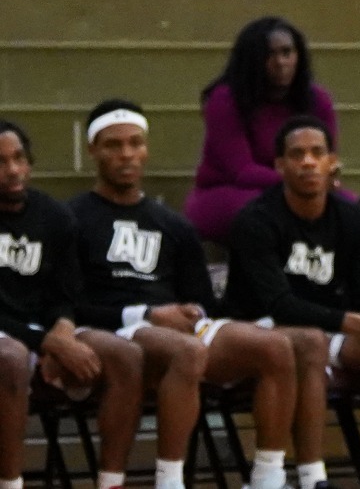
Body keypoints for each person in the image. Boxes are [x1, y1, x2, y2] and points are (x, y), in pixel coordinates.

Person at [71, 101, 309, 489]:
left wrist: (191, 311)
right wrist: (146, 314)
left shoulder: (173, 224)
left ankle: (268, 478)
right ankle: (170, 482)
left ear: (146, 149)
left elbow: (204, 303)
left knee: (276, 347)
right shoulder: (73, 218)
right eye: (114, 145)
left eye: (135, 143)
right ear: (93, 150)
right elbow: (68, 305)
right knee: (188, 351)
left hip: (169, 328)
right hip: (111, 327)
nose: (127, 154)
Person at [223, 116, 360, 489]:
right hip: (261, 327)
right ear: (279, 165)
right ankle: (312, 478)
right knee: (310, 342)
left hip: (330, 326)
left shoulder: (355, 218)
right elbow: (279, 304)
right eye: (297, 154)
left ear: (332, 161)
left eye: (317, 153)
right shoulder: (255, 220)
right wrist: (355, 323)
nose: (308, 162)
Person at [0, 119, 147, 489]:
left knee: (125, 355)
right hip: (11, 335)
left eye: (19, 158)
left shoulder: (54, 216)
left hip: (42, 328)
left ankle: (111, 482)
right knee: (11, 358)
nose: (13, 170)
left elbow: (65, 296)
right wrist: (46, 342)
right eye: (0, 162)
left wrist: (62, 333)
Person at [188, 17, 339, 241]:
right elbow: (242, 171)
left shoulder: (317, 99)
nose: (280, 63)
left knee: (352, 209)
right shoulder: (225, 99)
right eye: (269, 55)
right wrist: (299, 178)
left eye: (287, 52)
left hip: (300, 187)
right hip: (230, 191)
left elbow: (326, 159)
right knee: (262, 212)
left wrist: (322, 178)